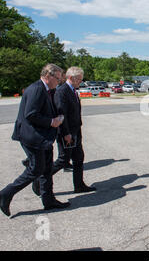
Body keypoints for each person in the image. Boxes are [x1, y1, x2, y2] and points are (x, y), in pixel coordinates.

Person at [0, 64, 70, 217]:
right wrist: (51, 122)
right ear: (48, 76)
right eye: (57, 79)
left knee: (46, 169)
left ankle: (49, 200)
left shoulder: (47, 90)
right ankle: (5, 193)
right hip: (33, 137)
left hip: (44, 137)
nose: (59, 82)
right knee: (36, 169)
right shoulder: (37, 89)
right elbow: (30, 114)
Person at [32, 67, 96, 196]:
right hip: (67, 133)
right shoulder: (62, 91)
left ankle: (79, 185)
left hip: (76, 130)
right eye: (79, 79)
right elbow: (62, 113)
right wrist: (66, 133)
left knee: (79, 158)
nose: (80, 82)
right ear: (71, 78)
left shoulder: (73, 91)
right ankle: (39, 180)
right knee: (63, 160)